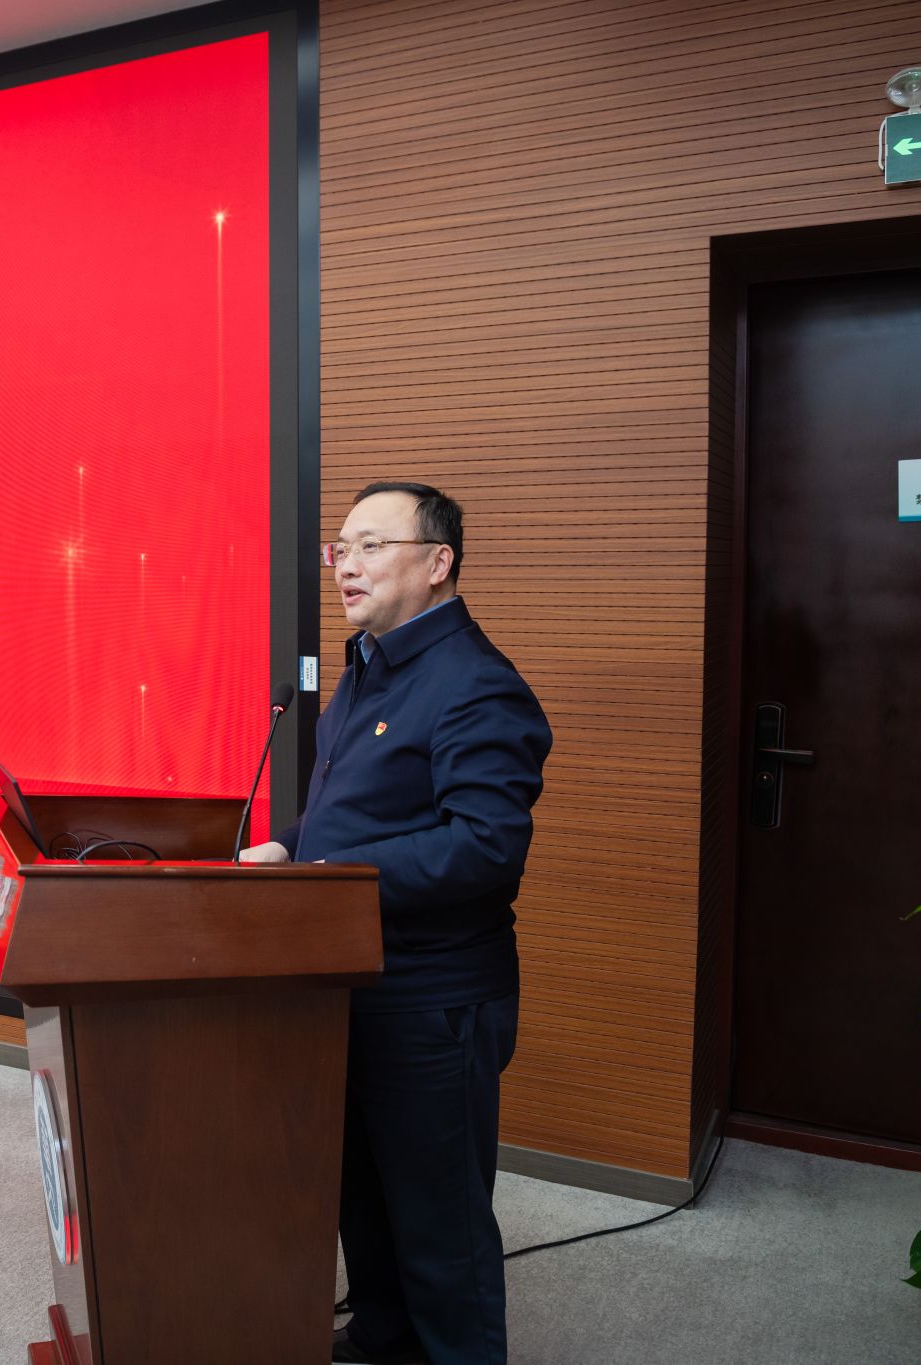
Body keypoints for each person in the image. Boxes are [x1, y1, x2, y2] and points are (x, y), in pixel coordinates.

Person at [243, 481, 551, 1365]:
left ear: (438, 562)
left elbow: (485, 845)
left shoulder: (477, 686)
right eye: (340, 548)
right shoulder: (368, 666)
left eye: (372, 545)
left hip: (432, 996)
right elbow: (352, 808)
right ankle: (387, 1336)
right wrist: (289, 844)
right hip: (352, 973)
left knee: (439, 1217)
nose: (346, 565)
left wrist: (328, 878)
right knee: (366, 1191)